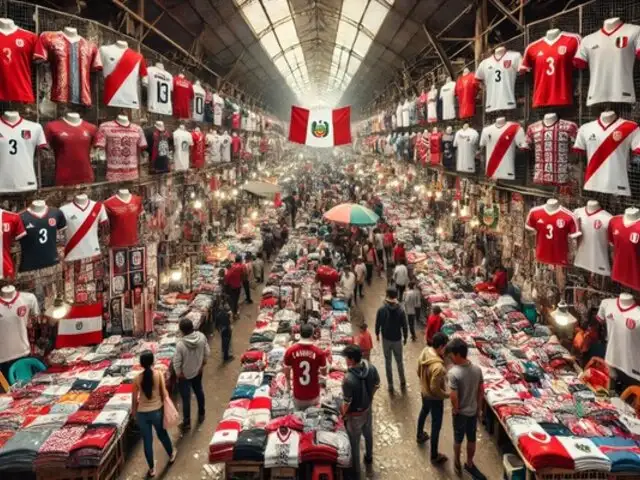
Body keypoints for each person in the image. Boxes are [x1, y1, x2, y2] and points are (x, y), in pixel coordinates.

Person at [446, 338, 486, 479]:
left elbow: (453, 396)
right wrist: (479, 409)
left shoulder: (454, 373)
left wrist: (456, 409)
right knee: (471, 438)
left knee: (458, 439)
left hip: (461, 413)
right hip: (473, 411)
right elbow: (481, 391)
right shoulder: (477, 369)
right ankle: (469, 463)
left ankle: (457, 461)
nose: (450, 357)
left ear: (457, 354)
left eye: (451, 354)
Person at [132, 351, 176, 477]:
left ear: (141, 364)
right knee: (162, 434)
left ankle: (152, 469)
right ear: (153, 362)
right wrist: (166, 404)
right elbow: (164, 393)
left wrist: (135, 414)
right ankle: (171, 454)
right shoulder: (159, 375)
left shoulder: (136, 379)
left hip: (142, 413)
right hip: (156, 411)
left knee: (147, 440)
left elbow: (134, 400)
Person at [341, 344, 380, 479]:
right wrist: (370, 398)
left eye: (346, 358)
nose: (345, 360)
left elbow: (347, 402)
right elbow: (377, 385)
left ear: (351, 360)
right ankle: (369, 456)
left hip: (354, 416)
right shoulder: (371, 368)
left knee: (355, 443)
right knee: (368, 434)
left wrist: (342, 415)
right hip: (367, 409)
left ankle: (356, 472)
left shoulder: (348, 379)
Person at [416, 332, 450, 464]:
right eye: (445, 347)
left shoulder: (425, 351)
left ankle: (419, 435)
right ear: (441, 346)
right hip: (435, 399)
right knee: (436, 425)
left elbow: (418, 370)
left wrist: (423, 382)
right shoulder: (439, 367)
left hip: (424, 392)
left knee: (424, 410)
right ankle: (434, 455)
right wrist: (446, 395)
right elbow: (435, 388)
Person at [174, 318, 209, 430]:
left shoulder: (180, 345)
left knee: (186, 398)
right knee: (199, 391)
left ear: (182, 331)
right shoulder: (201, 337)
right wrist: (202, 365)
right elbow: (207, 352)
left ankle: (187, 422)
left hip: (185, 375)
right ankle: (201, 414)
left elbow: (177, 362)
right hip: (198, 371)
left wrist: (179, 374)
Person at [283, 324, 327, 410]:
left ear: (299, 333)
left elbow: (287, 372)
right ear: (312, 334)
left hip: (298, 394)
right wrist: (322, 388)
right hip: (314, 395)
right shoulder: (319, 352)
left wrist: (288, 386)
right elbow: (323, 374)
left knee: (299, 420)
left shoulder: (290, 351)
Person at [375, 288, 408, 392]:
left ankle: (390, 385)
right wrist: (405, 337)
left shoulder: (381, 309)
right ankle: (403, 382)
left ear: (387, 296)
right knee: (399, 362)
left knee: (388, 362)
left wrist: (377, 334)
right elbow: (404, 326)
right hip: (397, 340)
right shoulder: (401, 310)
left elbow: (377, 323)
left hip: (386, 340)